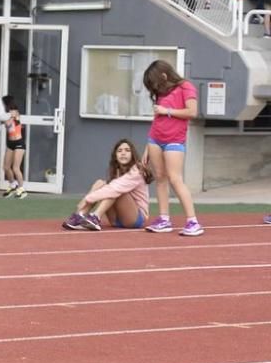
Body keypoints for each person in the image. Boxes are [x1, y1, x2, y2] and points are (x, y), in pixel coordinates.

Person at [141, 59, 203, 236]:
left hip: (174, 140)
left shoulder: (186, 87)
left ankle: (192, 221)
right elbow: (157, 120)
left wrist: (166, 111)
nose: (154, 87)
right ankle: (163, 219)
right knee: (160, 178)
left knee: (175, 179)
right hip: (155, 139)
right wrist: (147, 147)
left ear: (164, 75)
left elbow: (192, 112)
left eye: (154, 82)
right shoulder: (162, 91)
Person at [63, 139, 153, 231]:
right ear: (115, 156)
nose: (123, 153)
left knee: (115, 190)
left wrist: (86, 199)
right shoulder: (117, 171)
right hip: (115, 220)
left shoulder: (137, 171)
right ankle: (79, 216)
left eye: (127, 150)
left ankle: (96, 217)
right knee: (100, 183)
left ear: (132, 154)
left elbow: (115, 188)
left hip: (135, 219)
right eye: (119, 151)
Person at [0, 95, 26, 199]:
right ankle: (13, 185)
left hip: (19, 143)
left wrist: (5, 117)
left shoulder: (14, 112)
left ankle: (21, 189)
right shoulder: (6, 114)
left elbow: (7, 123)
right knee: (6, 167)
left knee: (15, 168)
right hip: (10, 143)